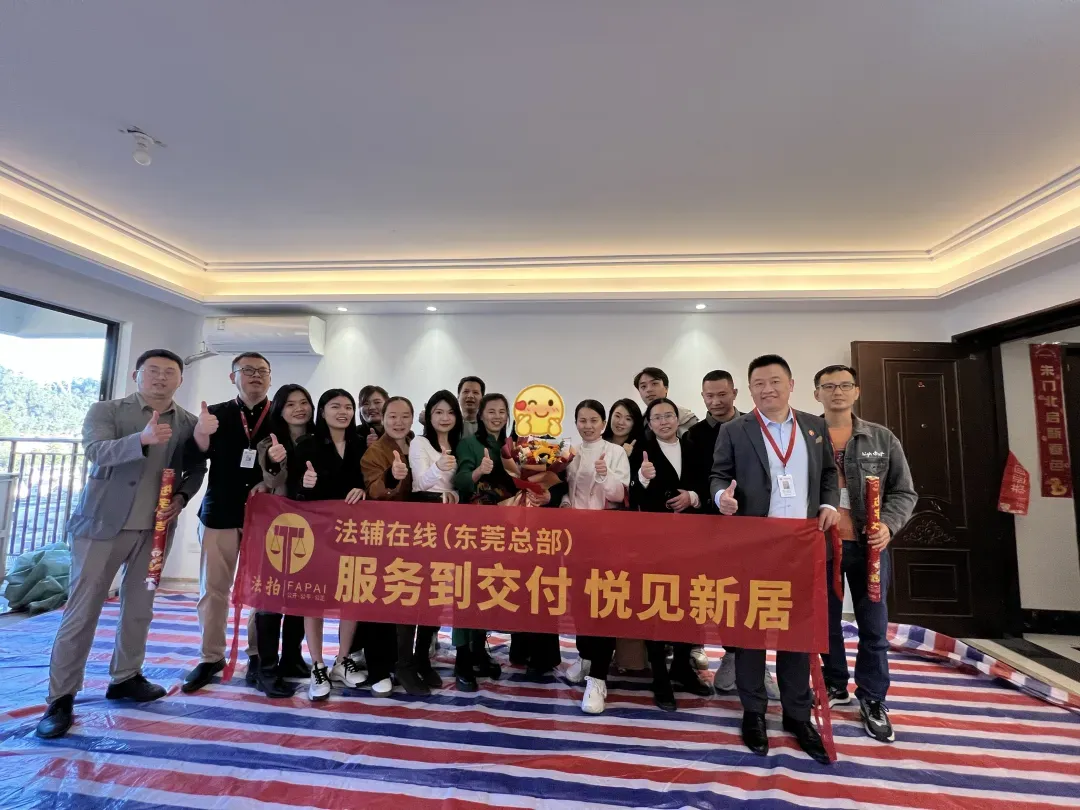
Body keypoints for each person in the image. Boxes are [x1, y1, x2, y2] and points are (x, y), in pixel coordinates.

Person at [36, 349, 207, 739]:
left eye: (169, 372)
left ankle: (126, 676)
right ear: (136, 375)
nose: (160, 378)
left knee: (140, 608)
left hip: (154, 531)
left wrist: (181, 498)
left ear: (180, 380)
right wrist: (141, 440)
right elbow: (95, 451)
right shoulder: (107, 411)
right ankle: (61, 697)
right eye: (153, 371)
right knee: (82, 611)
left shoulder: (187, 423)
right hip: (100, 527)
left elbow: (197, 468)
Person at [710, 354, 840, 765]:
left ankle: (797, 714)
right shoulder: (735, 429)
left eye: (775, 381)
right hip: (754, 545)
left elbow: (828, 474)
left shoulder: (814, 427)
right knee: (751, 631)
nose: (767, 389)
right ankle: (753, 711)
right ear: (749, 390)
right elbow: (718, 474)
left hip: (802, 546)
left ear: (791, 384)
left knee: (796, 633)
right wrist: (721, 497)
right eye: (759, 384)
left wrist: (828, 504)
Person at [814, 364, 917, 744]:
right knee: (825, 623)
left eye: (844, 385)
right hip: (821, 545)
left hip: (869, 546)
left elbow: (904, 491)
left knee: (873, 626)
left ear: (856, 391)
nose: (837, 392)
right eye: (829, 386)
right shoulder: (806, 436)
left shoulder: (881, 438)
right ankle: (835, 683)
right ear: (817, 394)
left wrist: (887, 525)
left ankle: (873, 698)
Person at [292, 389, 393, 701]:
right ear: (322, 411)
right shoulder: (307, 444)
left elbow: (368, 482)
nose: (343, 412)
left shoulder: (362, 443)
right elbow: (294, 490)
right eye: (335, 406)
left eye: (348, 407)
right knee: (314, 600)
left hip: (353, 532)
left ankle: (341, 660)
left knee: (352, 594)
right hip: (317, 533)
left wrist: (362, 490)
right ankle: (317, 665)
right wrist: (305, 485)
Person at [183, 352, 273, 694]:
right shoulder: (215, 414)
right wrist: (201, 434)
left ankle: (258, 655)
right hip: (219, 512)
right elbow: (194, 457)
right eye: (247, 370)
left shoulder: (278, 415)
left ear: (270, 377)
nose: (255, 376)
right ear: (232, 376)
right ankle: (211, 657)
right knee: (213, 589)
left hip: (266, 516)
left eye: (262, 371)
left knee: (262, 591)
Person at [627, 398, 712, 712]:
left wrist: (693, 497)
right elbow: (632, 495)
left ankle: (682, 668)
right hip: (656, 542)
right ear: (649, 423)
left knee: (689, 603)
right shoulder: (641, 451)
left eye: (668, 416)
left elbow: (708, 484)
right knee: (658, 603)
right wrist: (643, 477)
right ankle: (660, 676)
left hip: (692, 540)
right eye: (657, 417)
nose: (663, 422)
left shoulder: (694, 446)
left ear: (678, 419)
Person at [362, 395, 442, 696]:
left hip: (427, 534)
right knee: (404, 599)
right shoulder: (374, 452)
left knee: (430, 596)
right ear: (382, 418)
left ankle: (422, 657)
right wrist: (391, 477)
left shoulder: (420, 444)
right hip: (394, 538)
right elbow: (374, 489)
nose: (399, 422)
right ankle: (403, 664)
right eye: (392, 416)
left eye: (405, 416)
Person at [559, 400, 631, 715]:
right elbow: (565, 488)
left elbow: (621, 494)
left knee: (603, 602)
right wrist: (563, 502)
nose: (587, 426)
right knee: (578, 599)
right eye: (582, 420)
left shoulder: (615, 452)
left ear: (603, 423)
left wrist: (604, 476)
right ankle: (585, 656)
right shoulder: (570, 453)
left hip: (606, 537)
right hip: (575, 537)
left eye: (593, 420)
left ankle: (598, 678)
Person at [450, 392, 520, 690]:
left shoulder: (511, 446)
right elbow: (460, 481)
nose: (497, 416)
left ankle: (479, 650)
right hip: (473, 529)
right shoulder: (469, 443)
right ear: (480, 414)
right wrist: (479, 471)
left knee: (488, 587)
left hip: (503, 530)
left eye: (502, 411)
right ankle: (462, 658)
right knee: (466, 590)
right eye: (491, 411)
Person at [250, 383, 316, 698]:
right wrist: (276, 460)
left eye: (304, 402)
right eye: (290, 404)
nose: (299, 409)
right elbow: (272, 480)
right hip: (277, 527)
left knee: (300, 594)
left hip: (312, 527)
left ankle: (292, 657)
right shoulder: (269, 441)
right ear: (280, 410)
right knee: (272, 595)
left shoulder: (318, 438)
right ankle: (266, 669)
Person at [684, 370, 747, 684]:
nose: (716, 401)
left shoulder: (753, 426)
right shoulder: (693, 436)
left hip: (748, 526)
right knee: (708, 592)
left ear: (734, 392)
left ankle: (740, 658)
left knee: (743, 595)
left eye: (722, 394)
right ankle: (700, 647)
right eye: (709, 396)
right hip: (707, 526)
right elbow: (690, 480)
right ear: (702, 397)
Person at [410, 390, 463, 505]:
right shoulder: (419, 442)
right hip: (426, 506)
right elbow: (419, 485)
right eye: (439, 412)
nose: (445, 418)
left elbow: (460, 486)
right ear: (429, 416)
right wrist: (438, 467)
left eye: (451, 412)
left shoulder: (460, 445)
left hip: (452, 507)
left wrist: (454, 495)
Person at [634, 367, 699, 437]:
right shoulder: (640, 422)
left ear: (666, 388)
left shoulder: (686, 418)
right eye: (643, 386)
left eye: (654, 384)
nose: (648, 390)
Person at [358, 384, 388, 449]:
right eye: (366, 404)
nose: (372, 407)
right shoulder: (352, 435)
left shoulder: (402, 433)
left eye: (377, 402)